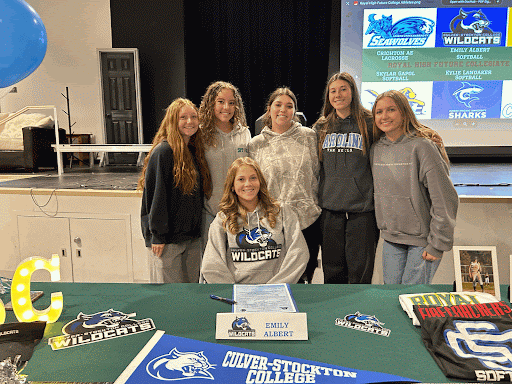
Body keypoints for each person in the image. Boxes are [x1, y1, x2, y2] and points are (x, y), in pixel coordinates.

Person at [370, 90, 458, 284]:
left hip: (423, 242)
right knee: (392, 301)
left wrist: (438, 243)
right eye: (379, 111)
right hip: (392, 240)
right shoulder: (376, 149)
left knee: (412, 301)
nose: (384, 116)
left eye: (391, 110)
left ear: (404, 112)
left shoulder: (423, 147)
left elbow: (445, 198)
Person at [249, 87, 320, 283]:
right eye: (278, 105)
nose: (283, 110)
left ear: (294, 111)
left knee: (305, 277)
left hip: (307, 221)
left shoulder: (309, 136)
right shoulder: (255, 145)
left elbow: (317, 173)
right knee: (275, 278)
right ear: (269, 109)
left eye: (289, 106)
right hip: (272, 223)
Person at [313, 72, 379, 284]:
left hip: (362, 212)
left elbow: (398, 132)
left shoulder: (369, 123)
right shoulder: (321, 127)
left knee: (360, 275)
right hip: (330, 211)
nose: (338, 94)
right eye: (333, 91)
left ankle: (358, 316)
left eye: (343, 89)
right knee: (332, 273)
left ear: (353, 92)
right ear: (328, 96)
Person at [138, 98, 212, 283]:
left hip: (191, 238)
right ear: (172, 121)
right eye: (183, 117)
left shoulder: (194, 151)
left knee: (190, 295)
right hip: (167, 241)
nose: (190, 121)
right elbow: (157, 197)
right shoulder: (163, 152)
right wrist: (158, 236)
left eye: (193, 117)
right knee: (169, 297)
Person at [201, 157, 308, 284]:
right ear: (232, 186)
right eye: (241, 179)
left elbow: (299, 253)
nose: (248, 184)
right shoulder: (223, 219)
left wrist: (275, 288)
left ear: (260, 182)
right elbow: (212, 264)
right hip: (238, 293)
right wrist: (232, 292)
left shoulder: (282, 212)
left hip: (276, 290)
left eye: (253, 178)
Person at [199, 81, 251, 248]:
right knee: (211, 266)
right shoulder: (200, 134)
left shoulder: (244, 133)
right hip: (210, 213)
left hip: (239, 213)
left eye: (231, 103)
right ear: (211, 103)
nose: (226, 107)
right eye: (221, 101)